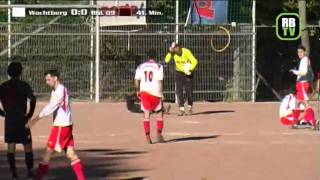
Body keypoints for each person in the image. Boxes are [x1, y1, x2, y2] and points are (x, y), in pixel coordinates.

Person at [26, 70, 85, 180]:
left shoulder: (59, 91)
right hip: (66, 126)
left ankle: (38, 177)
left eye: (49, 79)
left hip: (61, 127)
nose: (47, 82)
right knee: (70, 153)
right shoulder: (57, 90)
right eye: (46, 80)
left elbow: (51, 107)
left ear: (55, 78)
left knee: (48, 153)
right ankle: (81, 178)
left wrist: (36, 119)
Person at [0, 62, 36, 179]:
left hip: (10, 120)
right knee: (27, 146)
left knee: (11, 146)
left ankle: (14, 173)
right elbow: (33, 99)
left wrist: (2, 113)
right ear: (20, 72)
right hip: (22, 119)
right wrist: (29, 114)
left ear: (8, 73)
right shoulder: (24, 85)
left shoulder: (3, 86)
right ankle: (30, 171)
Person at [135, 49, 165, 144]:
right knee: (159, 113)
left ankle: (147, 136)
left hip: (144, 92)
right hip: (155, 92)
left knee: (146, 114)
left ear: (147, 57)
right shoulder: (159, 66)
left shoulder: (141, 66)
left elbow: (136, 79)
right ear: (155, 57)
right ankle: (159, 134)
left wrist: (137, 90)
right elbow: (160, 81)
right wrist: (160, 92)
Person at [165, 42, 198, 116]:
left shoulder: (186, 51)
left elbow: (195, 61)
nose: (176, 50)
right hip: (179, 73)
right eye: (174, 48)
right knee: (178, 90)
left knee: (189, 91)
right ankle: (181, 109)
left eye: (176, 48)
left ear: (180, 47)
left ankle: (190, 108)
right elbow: (166, 60)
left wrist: (190, 69)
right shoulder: (173, 53)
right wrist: (170, 52)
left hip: (188, 72)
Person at [290, 46, 318, 129]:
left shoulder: (305, 59)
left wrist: (294, 72)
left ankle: (313, 122)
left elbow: (303, 72)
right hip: (300, 84)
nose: (299, 54)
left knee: (305, 103)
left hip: (302, 84)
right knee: (297, 103)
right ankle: (295, 123)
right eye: (298, 52)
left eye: (301, 52)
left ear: (304, 52)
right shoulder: (303, 60)